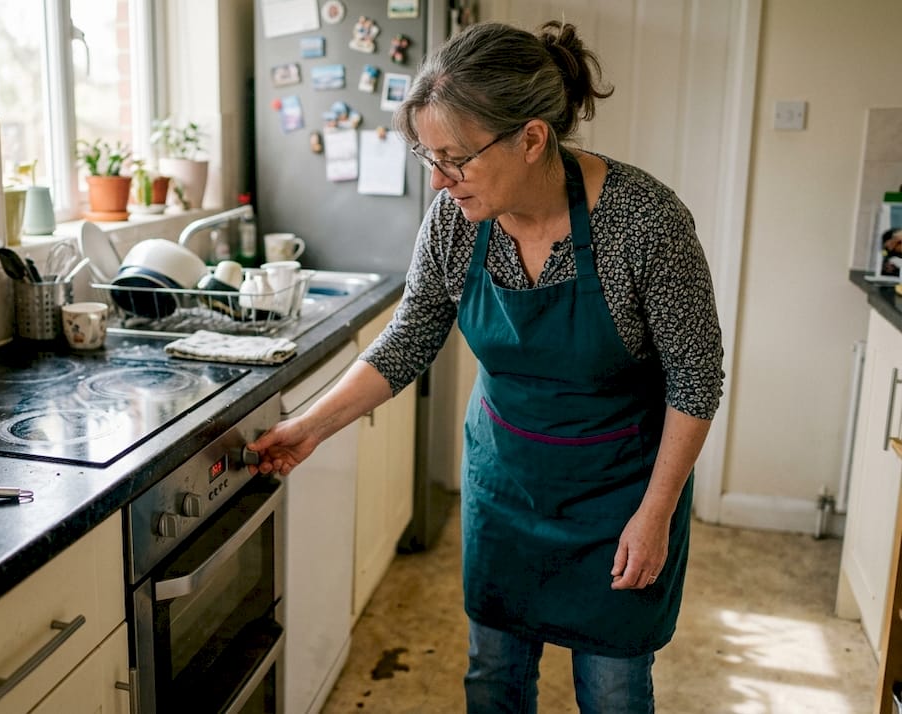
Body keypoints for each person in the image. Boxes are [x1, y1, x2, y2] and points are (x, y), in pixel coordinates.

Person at [247, 20, 724, 713]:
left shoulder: (643, 222)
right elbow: (409, 338)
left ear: (532, 139)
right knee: (493, 679)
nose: (440, 181)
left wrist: (656, 512)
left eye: (456, 158)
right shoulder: (453, 221)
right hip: (506, 487)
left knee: (613, 689)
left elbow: (696, 379)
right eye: (427, 157)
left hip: (619, 495)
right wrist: (312, 426)